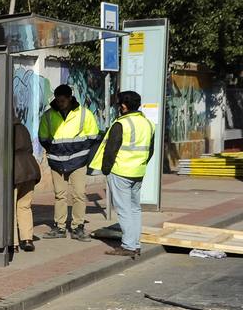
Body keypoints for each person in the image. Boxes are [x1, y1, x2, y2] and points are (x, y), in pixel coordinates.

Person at [92, 90, 154, 258]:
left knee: (124, 210)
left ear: (124, 106)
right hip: (138, 171)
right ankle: (135, 244)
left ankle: (128, 246)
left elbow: (110, 150)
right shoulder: (148, 124)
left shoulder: (121, 124)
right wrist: (139, 164)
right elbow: (151, 150)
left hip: (120, 171)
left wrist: (106, 169)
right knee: (135, 209)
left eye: (119, 104)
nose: (118, 107)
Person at [36, 83, 100, 240]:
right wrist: (56, 151)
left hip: (78, 162)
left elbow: (93, 136)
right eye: (57, 100)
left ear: (70, 98)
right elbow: (43, 138)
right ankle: (60, 227)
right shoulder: (48, 115)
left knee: (79, 194)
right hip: (56, 162)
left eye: (63, 101)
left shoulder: (84, 114)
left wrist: (78, 152)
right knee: (60, 195)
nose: (60, 103)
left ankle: (78, 227)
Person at [13, 118, 41, 252]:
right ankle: (27, 239)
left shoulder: (3, 127)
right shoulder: (23, 127)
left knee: (9, 208)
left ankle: (13, 243)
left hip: (15, 170)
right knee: (24, 206)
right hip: (30, 168)